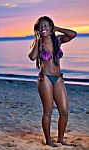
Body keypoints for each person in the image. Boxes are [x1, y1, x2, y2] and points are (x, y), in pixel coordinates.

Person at [28, 16, 77, 147]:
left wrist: (57, 28)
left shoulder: (58, 40)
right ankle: (49, 140)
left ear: (50, 27)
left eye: (46, 25)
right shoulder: (38, 43)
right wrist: (37, 40)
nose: (43, 28)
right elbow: (32, 57)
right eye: (40, 27)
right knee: (47, 111)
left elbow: (73, 34)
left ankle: (60, 138)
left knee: (64, 111)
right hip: (45, 79)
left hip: (58, 78)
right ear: (37, 30)